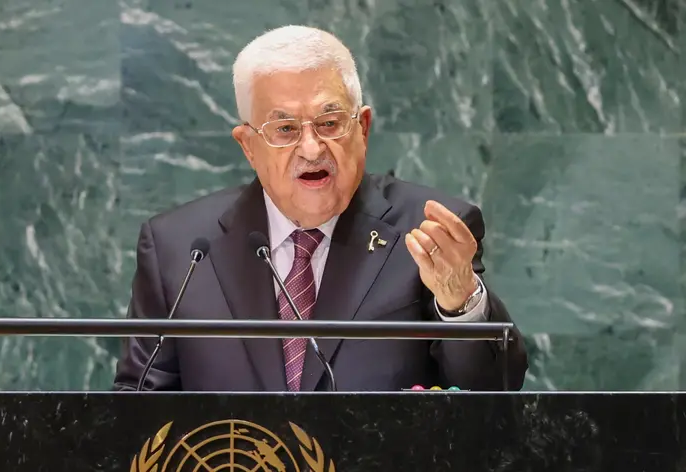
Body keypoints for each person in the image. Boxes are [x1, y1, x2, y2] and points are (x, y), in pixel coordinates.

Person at [114, 25, 528, 392]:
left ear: (362, 128)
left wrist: (460, 303)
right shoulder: (179, 248)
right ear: (248, 146)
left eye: (330, 124)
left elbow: (492, 398)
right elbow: (137, 414)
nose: (311, 149)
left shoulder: (425, 232)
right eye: (285, 130)